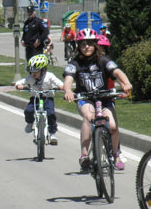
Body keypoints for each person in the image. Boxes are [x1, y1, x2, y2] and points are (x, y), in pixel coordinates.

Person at [63, 29, 132, 172]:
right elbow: (68, 78)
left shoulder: (103, 60)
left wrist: (125, 83)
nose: (86, 47)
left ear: (96, 45)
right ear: (78, 47)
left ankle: (115, 155)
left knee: (112, 126)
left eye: (89, 44)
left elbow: (117, 72)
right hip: (85, 98)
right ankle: (84, 155)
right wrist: (68, 90)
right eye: (82, 44)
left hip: (105, 98)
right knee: (89, 117)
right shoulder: (75, 63)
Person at [15, 54, 64, 145]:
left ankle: (52, 134)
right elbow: (20, 82)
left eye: (36, 72)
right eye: (31, 72)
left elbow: (58, 82)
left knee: (51, 114)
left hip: (47, 98)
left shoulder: (49, 76)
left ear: (43, 70)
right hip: (35, 98)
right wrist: (19, 86)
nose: (33, 74)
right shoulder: (30, 78)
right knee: (28, 111)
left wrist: (61, 86)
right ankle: (30, 123)